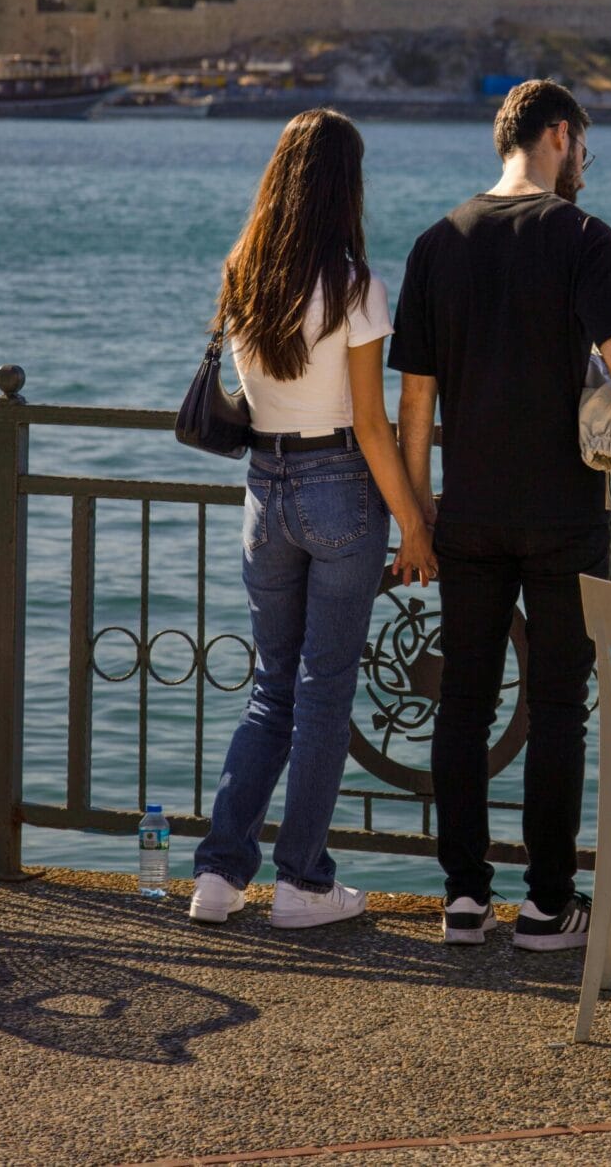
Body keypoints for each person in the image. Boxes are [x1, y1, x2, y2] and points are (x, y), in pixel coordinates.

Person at [389, 79, 611, 949]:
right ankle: (549, 907)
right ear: (559, 135)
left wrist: (420, 511)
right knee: (556, 706)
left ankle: (464, 900)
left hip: (466, 512)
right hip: (562, 519)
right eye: (584, 146)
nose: (584, 162)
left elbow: (417, 398)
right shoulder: (585, 237)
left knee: (463, 704)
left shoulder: (438, 241)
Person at [190, 110, 436, 928]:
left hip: (264, 490)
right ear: (344, 186)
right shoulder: (354, 283)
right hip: (338, 489)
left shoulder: (242, 271)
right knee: (324, 692)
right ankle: (303, 884)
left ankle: (219, 878)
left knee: (271, 689)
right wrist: (414, 525)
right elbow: (372, 425)